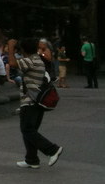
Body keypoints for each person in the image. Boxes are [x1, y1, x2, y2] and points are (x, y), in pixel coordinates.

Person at [7, 37, 63, 169]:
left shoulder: (31, 60)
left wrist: (10, 47)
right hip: (37, 101)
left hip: (30, 102)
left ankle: (52, 149)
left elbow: (12, 63)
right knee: (31, 130)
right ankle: (31, 159)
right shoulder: (37, 59)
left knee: (27, 129)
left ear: (23, 50)